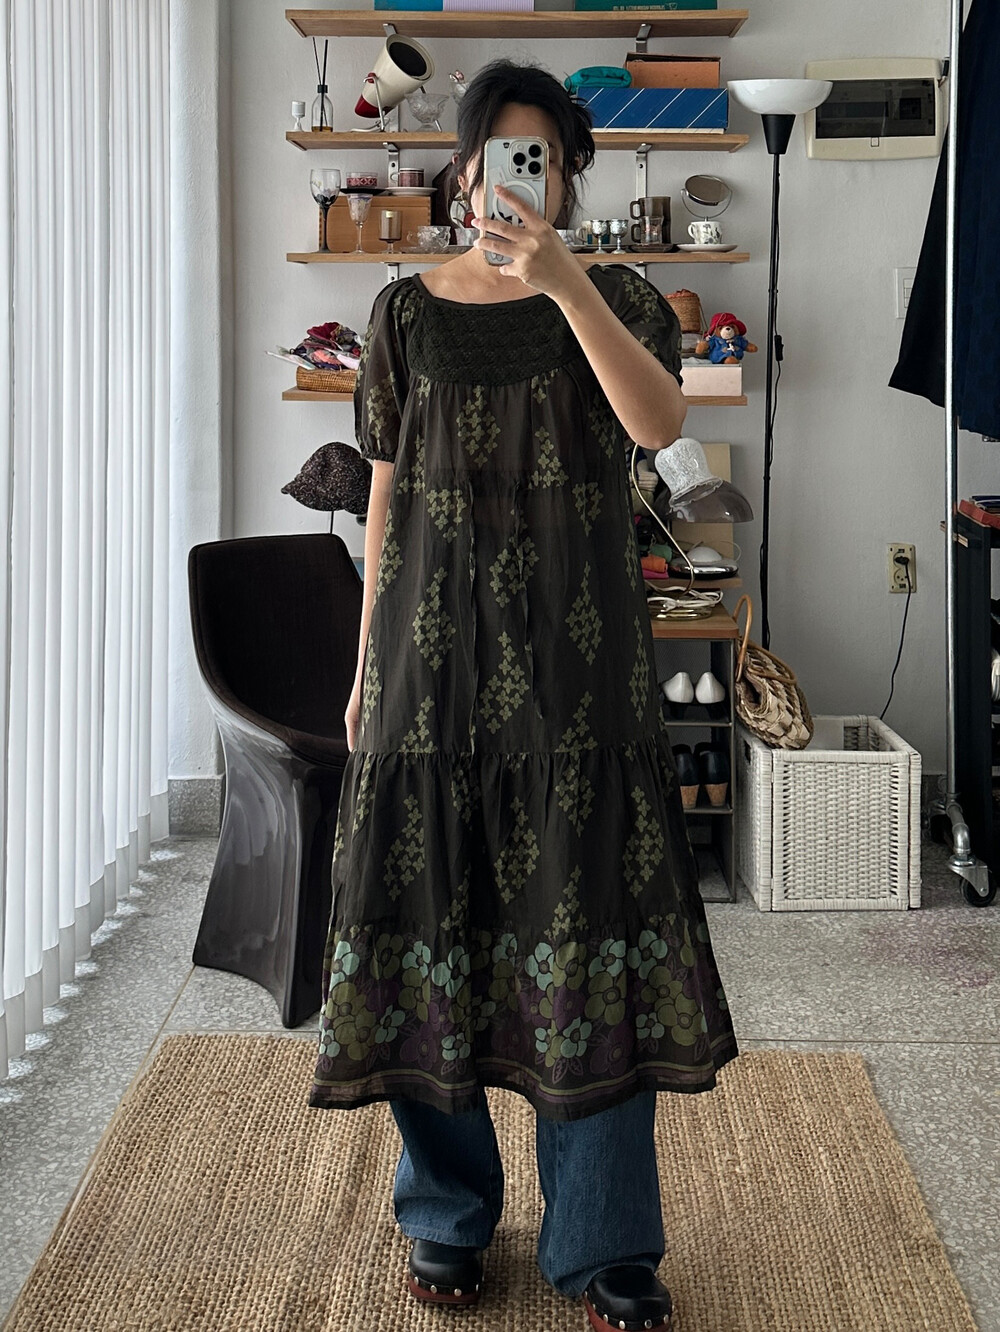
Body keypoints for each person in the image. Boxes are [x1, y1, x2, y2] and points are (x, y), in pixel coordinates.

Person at [308, 58, 740, 1332]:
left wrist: (563, 283)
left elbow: (656, 423)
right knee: (422, 936)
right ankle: (446, 1217)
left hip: (578, 675)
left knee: (587, 940)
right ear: (460, 170)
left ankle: (602, 1246)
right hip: (427, 672)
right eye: (494, 151)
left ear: (567, 175)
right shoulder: (400, 313)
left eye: (537, 155)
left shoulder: (623, 299)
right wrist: (363, 666)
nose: (513, 173)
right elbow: (385, 493)